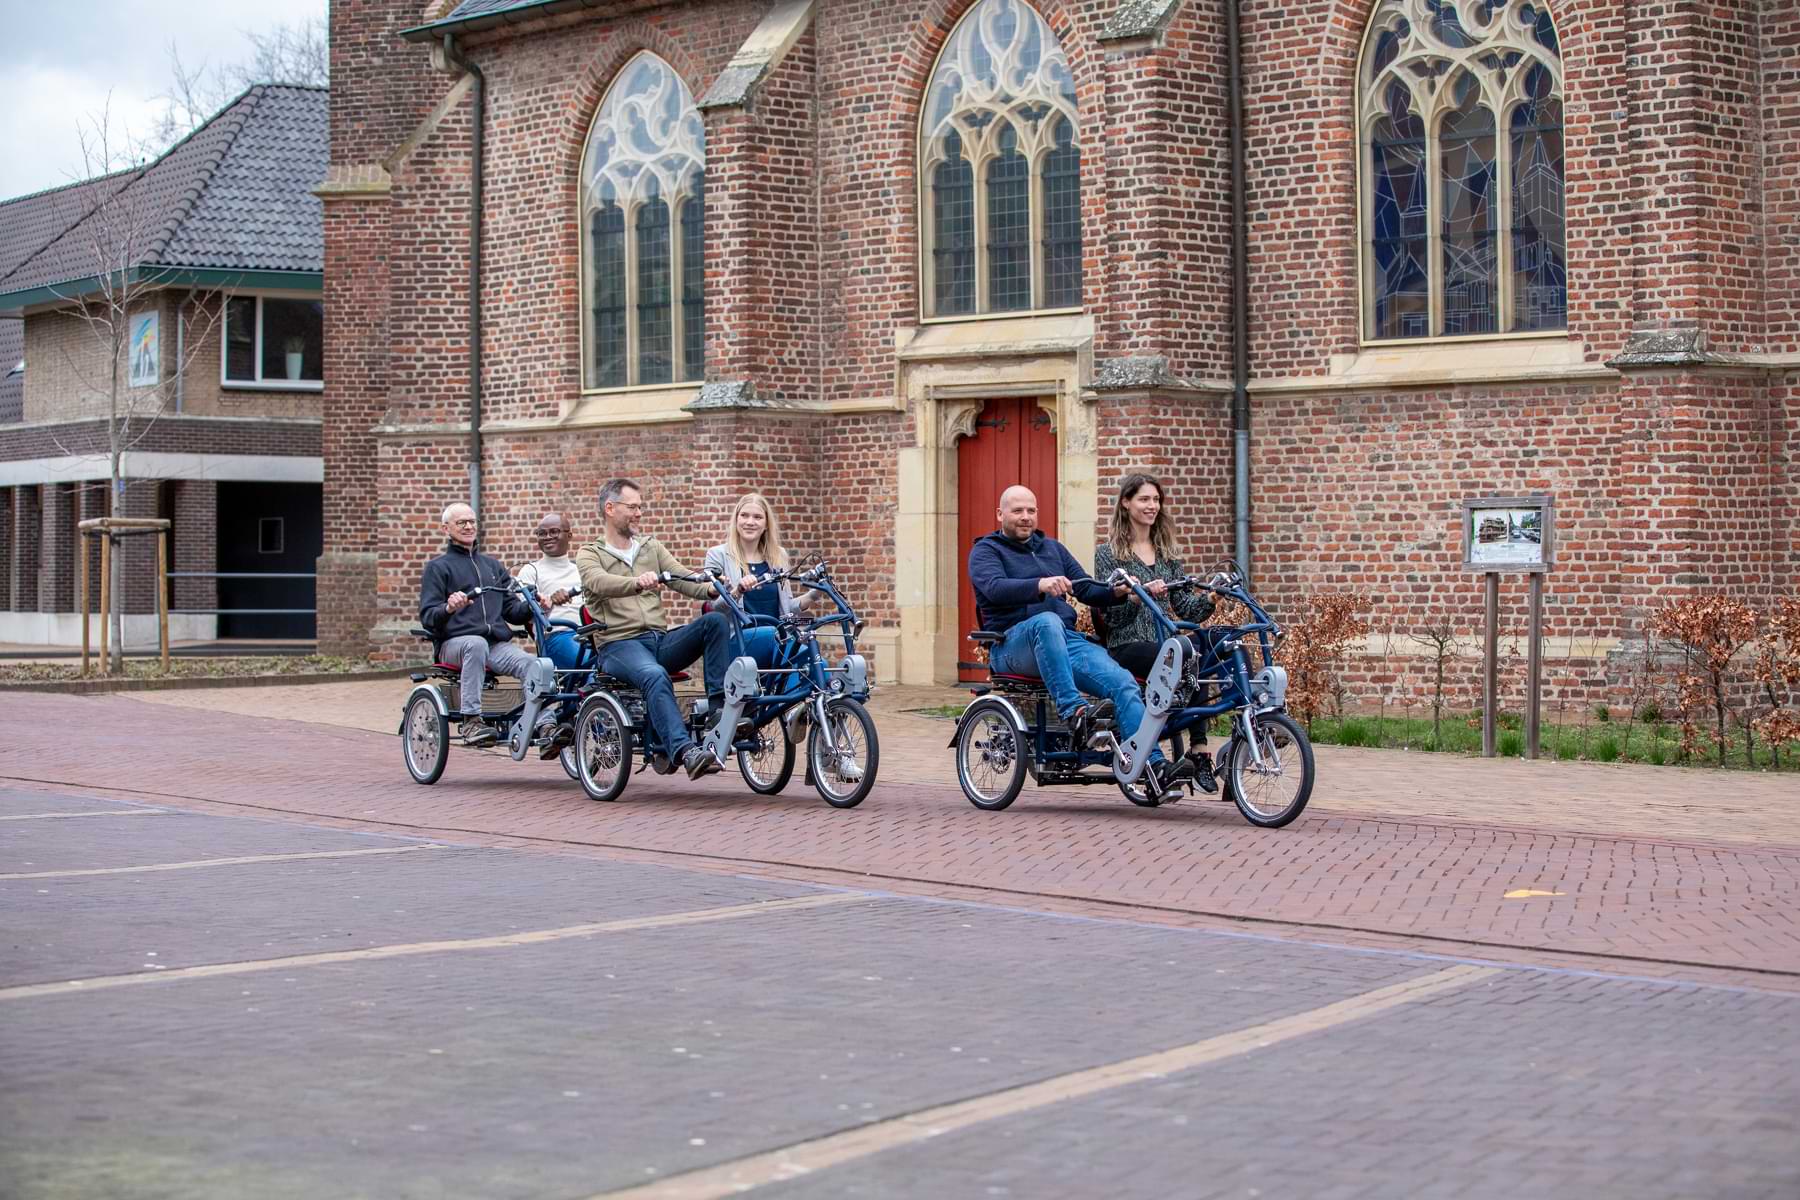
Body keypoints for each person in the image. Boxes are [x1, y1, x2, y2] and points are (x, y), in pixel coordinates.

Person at [968, 485, 1192, 790]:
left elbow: (1086, 587)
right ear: (1000, 514)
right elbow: (994, 588)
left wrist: (1118, 592)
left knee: (1123, 682)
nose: (1025, 517)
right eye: (1017, 511)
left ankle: (1153, 764)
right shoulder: (986, 551)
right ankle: (1074, 712)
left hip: (1064, 641)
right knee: (1046, 621)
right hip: (1012, 645)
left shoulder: (1053, 549)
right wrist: (1039, 584)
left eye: (1031, 510)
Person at [574, 478, 733, 779]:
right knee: (654, 675)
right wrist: (636, 583)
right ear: (610, 508)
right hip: (618, 645)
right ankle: (685, 752)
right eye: (632, 507)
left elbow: (683, 578)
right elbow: (598, 582)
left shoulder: (651, 547)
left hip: (659, 641)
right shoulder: (590, 553)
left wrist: (711, 589)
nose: (639, 513)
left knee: (714, 622)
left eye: (640, 507)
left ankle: (718, 712)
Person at [1093, 473, 1220, 789]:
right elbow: (1112, 617)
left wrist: (1210, 599)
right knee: (1188, 656)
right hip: (1128, 644)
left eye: (1156, 500)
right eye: (1144, 499)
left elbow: (1185, 608)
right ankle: (1197, 747)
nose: (1152, 506)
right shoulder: (1108, 554)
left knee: (1220, 644)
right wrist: (1136, 597)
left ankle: (1251, 724)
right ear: (1126, 502)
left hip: (1168, 642)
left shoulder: (1167, 553)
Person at [418, 502, 540, 747]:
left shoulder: (493, 567)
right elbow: (428, 617)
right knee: (475, 644)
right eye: (461, 522)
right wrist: (449, 608)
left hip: (494, 646)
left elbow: (512, 612)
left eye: (472, 521)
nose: (468, 526)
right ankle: (471, 721)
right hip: (454, 645)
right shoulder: (438, 567)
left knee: (533, 665)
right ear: (446, 528)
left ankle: (542, 722)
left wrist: (534, 605)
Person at [702, 493, 818, 675]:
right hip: (737, 640)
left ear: (766, 525)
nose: (750, 522)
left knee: (815, 662)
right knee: (777, 638)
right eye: (744, 515)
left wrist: (814, 594)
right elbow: (714, 608)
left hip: (778, 639)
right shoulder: (718, 555)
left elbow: (787, 608)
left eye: (757, 517)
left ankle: (828, 694)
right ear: (736, 519)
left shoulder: (778, 556)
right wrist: (738, 591)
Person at [515, 512, 584, 670]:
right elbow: (524, 613)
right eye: (542, 533)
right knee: (592, 665)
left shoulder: (581, 570)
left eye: (554, 532)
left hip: (591, 634)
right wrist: (549, 601)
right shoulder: (531, 571)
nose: (547, 537)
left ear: (569, 535)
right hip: (558, 635)